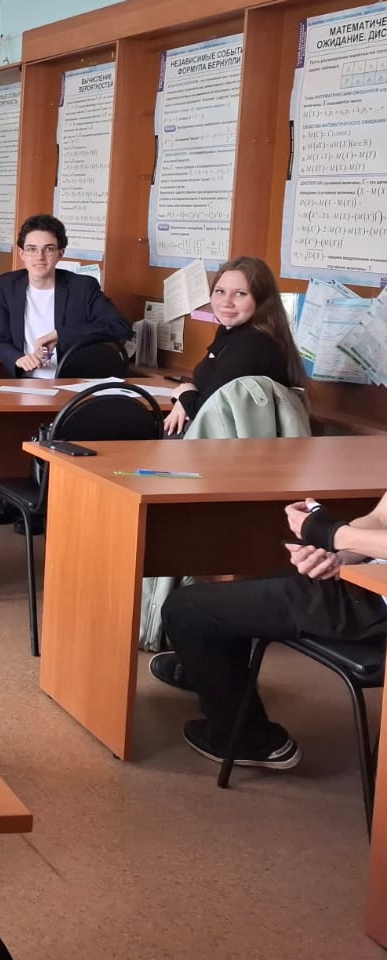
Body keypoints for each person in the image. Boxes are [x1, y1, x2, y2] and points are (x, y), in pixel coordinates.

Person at [153, 492, 387, 768]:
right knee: (236, 593)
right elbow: (380, 517)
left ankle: (248, 742)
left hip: (373, 603)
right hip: (361, 576)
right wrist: (338, 556)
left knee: (185, 610)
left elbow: (344, 532)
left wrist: (334, 534)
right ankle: (207, 676)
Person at [161, 256, 305, 435]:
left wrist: (184, 394)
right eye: (220, 291)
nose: (226, 302)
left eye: (240, 294)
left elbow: (208, 411)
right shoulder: (232, 331)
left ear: (262, 300)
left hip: (228, 443)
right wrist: (184, 400)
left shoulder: (252, 345)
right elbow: (211, 390)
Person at [0, 214, 130, 377]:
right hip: (23, 381)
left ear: (60, 253)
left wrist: (60, 335)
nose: (40, 257)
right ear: (22, 254)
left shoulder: (82, 287)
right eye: (32, 249)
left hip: (71, 381)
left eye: (49, 249)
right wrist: (18, 359)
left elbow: (120, 327)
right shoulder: (7, 285)